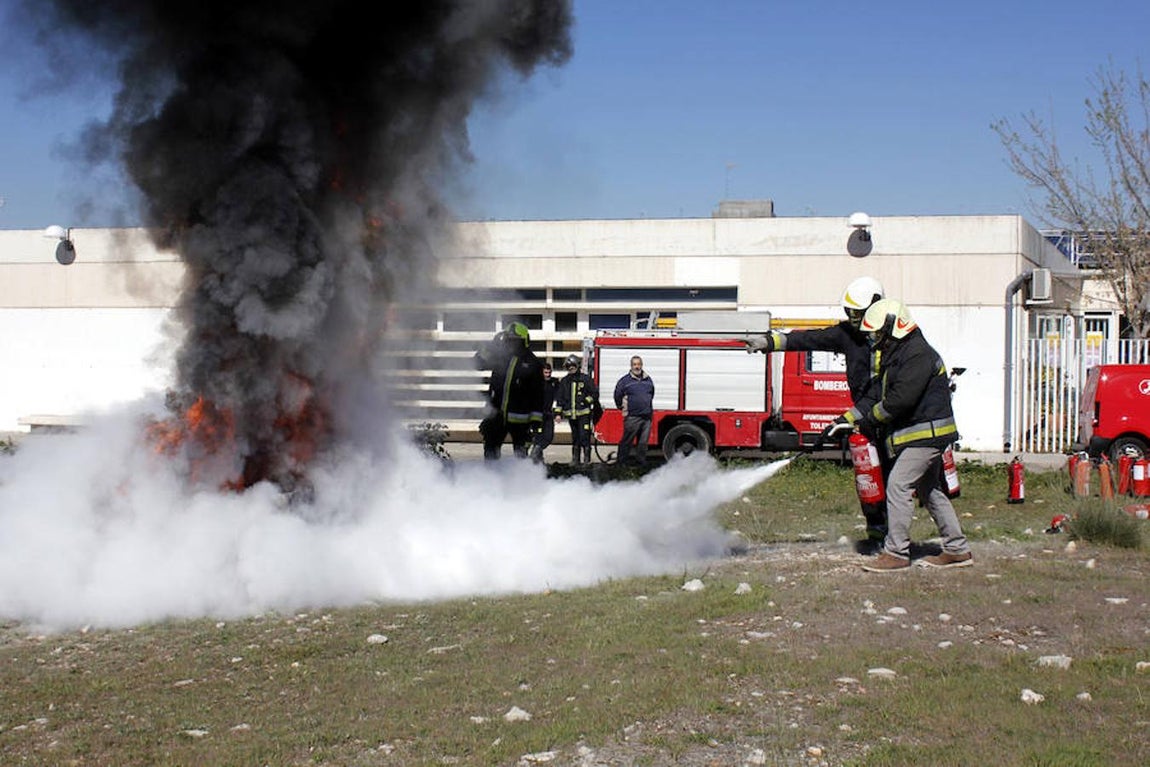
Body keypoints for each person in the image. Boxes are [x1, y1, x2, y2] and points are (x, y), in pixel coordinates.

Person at [746, 276, 890, 551]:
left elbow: (889, 387)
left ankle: (895, 539)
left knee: (893, 479)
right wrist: (771, 341)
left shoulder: (893, 337)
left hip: (889, 418)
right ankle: (877, 534)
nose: (853, 318)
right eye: (850, 313)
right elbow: (812, 338)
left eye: (857, 313)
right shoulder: (848, 335)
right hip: (865, 420)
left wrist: (852, 416)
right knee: (867, 476)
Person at [846, 299, 973, 572]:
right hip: (925, 434)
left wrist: (869, 421)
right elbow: (878, 393)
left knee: (898, 485)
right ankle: (957, 549)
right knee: (930, 490)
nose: (875, 340)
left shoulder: (917, 355)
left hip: (926, 435)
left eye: (879, 333)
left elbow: (899, 400)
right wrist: (850, 417)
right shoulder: (901, 355)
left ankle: (896, 553)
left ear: (894, 327)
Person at [475, 321, 545, 460]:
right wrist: (492, 346)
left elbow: (538, 394)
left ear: (524, 341)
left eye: (516, 341)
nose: (512, 344)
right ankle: (490, 478)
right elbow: (478, 363)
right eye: (509, 341)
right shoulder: (499, 357)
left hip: (521, 418)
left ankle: (519, 479)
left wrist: (536, 421)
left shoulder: (532, 363)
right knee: (490, 450)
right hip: (496, 415)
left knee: (521, 455)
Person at [554, 353, 601, 465]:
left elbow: (595, 394)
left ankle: (586, 460)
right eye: (568, 366)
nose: (571, 368)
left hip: (584, 415)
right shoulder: (564, 381)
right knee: (575, 438)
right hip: (571, 415)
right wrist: (558, 414)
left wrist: (586, 401)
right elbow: (560, 398)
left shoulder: (585, 379)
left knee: (584, 436)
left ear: (577, 365)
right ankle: (575, 460)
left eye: (573, 365)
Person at [614, 355, 655, 466]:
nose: (637, 367)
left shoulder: (648, 379)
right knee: (627, 441)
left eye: (638, 364)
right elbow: (617, 395)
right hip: (632, 416)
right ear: (631, 366)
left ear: (642, 365)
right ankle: (621, 462)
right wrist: (621, 407)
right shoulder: (625, 381)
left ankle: (640, 461)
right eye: (634, 364)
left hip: (646, 416)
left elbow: (652, 393)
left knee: (643, 442)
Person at [530, 361, 558, 463]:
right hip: (537, 414)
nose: (548, 375)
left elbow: (559, 396)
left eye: (549, 372)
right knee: (538, 437)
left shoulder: (554, 383)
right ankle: (538, 459)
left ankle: (536, 451)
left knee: (549, 437)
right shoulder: (536, 383)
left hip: (548, 414)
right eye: (546, 373)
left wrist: (558, 413)